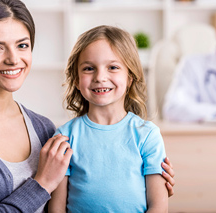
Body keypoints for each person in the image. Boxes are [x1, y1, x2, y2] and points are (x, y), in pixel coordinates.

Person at [0, 0, 175, 212]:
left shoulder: (45, 130)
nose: (13, 59)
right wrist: (41, 185)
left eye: (22, 45)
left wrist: (145, 187)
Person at [48, 25, 168, 212]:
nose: (100, 77)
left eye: (113, 67)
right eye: (89, 68)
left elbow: (158, 206)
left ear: (130, 77)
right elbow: (57, 207)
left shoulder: (147, 135)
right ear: (77, 79)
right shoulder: (65, 136)